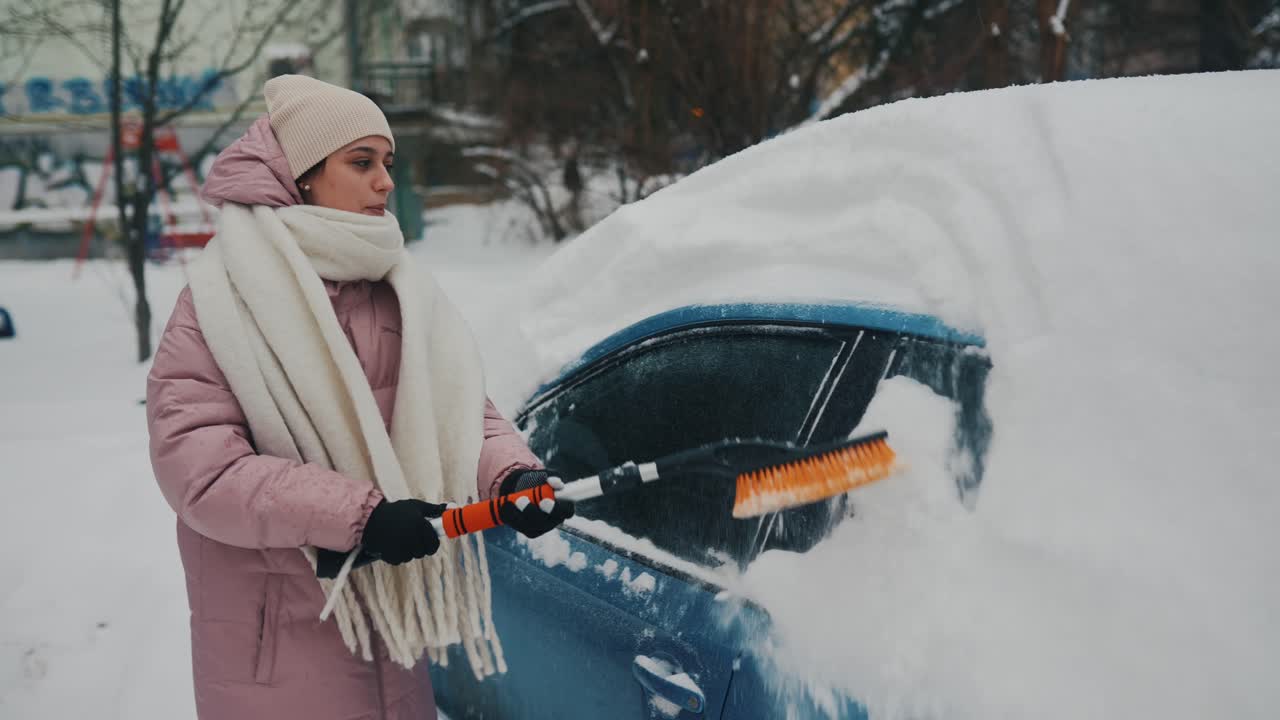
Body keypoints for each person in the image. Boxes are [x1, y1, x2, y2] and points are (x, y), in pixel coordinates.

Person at [146, 74, 573, 720]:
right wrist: (359, 516)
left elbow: (458, 414)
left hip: (392, 636)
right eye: (362, 161)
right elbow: (199, 471)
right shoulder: (221, 301)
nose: (385, 182)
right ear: (304, 173)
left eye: (388, 163)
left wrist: (512, 474)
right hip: (277, 654)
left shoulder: (397, 290)